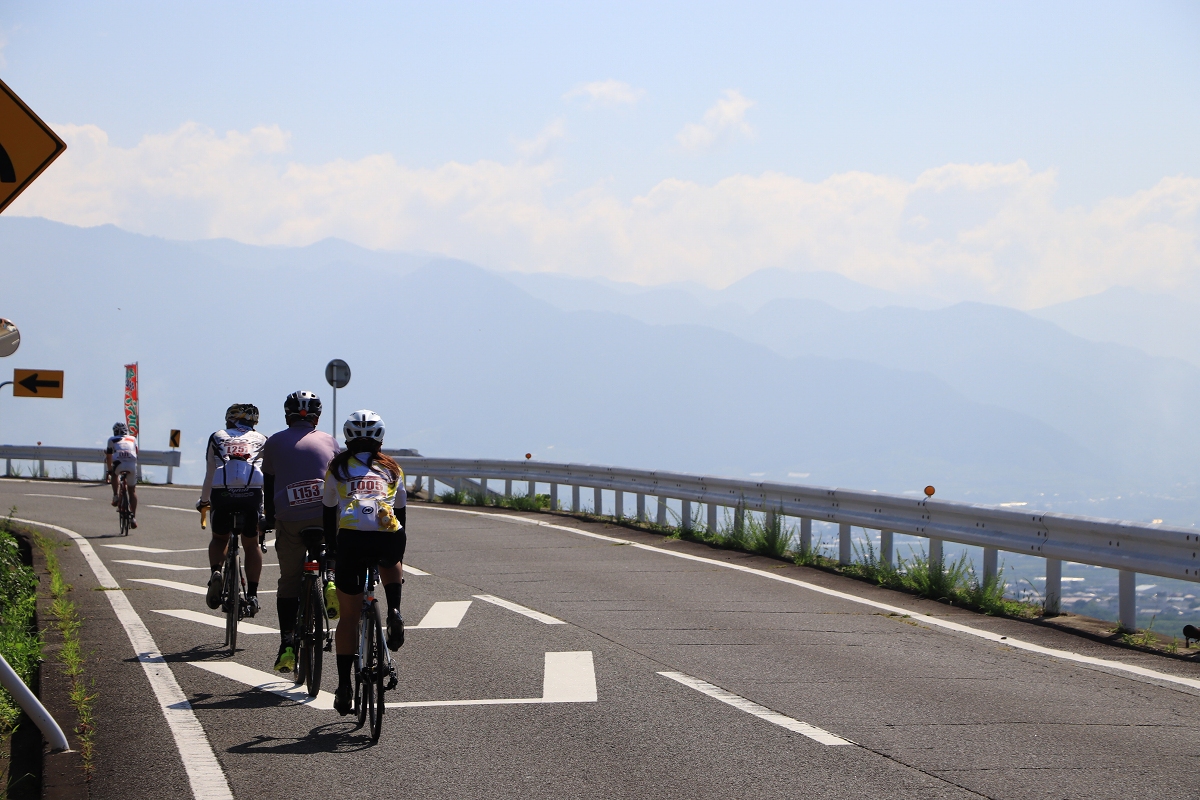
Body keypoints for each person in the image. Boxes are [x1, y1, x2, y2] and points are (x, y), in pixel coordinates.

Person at [323, 410, 406, 716]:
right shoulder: (393, 467)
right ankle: (395, 610)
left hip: (351, 538)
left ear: (347, 437)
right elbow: (401, 513)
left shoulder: (338, 467)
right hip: (388, 535)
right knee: (392, 557)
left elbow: (328, 510)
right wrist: (399, 550)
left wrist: (331, 552)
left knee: (348, 617)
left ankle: (344, 686)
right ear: (380, 438)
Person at [261, 390, 342, 673]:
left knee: (289, 582)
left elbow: (268, 485)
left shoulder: (274, 442)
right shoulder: (329, 440)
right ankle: (331, 578)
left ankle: (287, 645)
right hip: (323, 515)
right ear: (317, 417)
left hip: (290, 518)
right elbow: (341, 477)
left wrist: (270, 519)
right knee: (333, 537)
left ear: (287, 415)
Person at [197, 404, 268, 618]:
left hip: (223, 493)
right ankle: (253, 594)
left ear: (229, 420)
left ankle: (216, 572)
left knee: (220, 539)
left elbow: (210, 474)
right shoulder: (263, 439)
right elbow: (267, 475)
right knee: (251, 543)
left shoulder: (217, 436)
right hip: (251, 494)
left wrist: (204, 501)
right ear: (254, 422)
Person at [105, 422, 139, 528]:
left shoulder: (111, 440)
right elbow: (136, 453)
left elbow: (109, 457)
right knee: (132, 490)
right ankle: (133, 517)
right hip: (131, 465)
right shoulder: (133, 439)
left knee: (115, 475)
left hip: (119, 464)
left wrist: (109, 470)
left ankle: (116, 496)